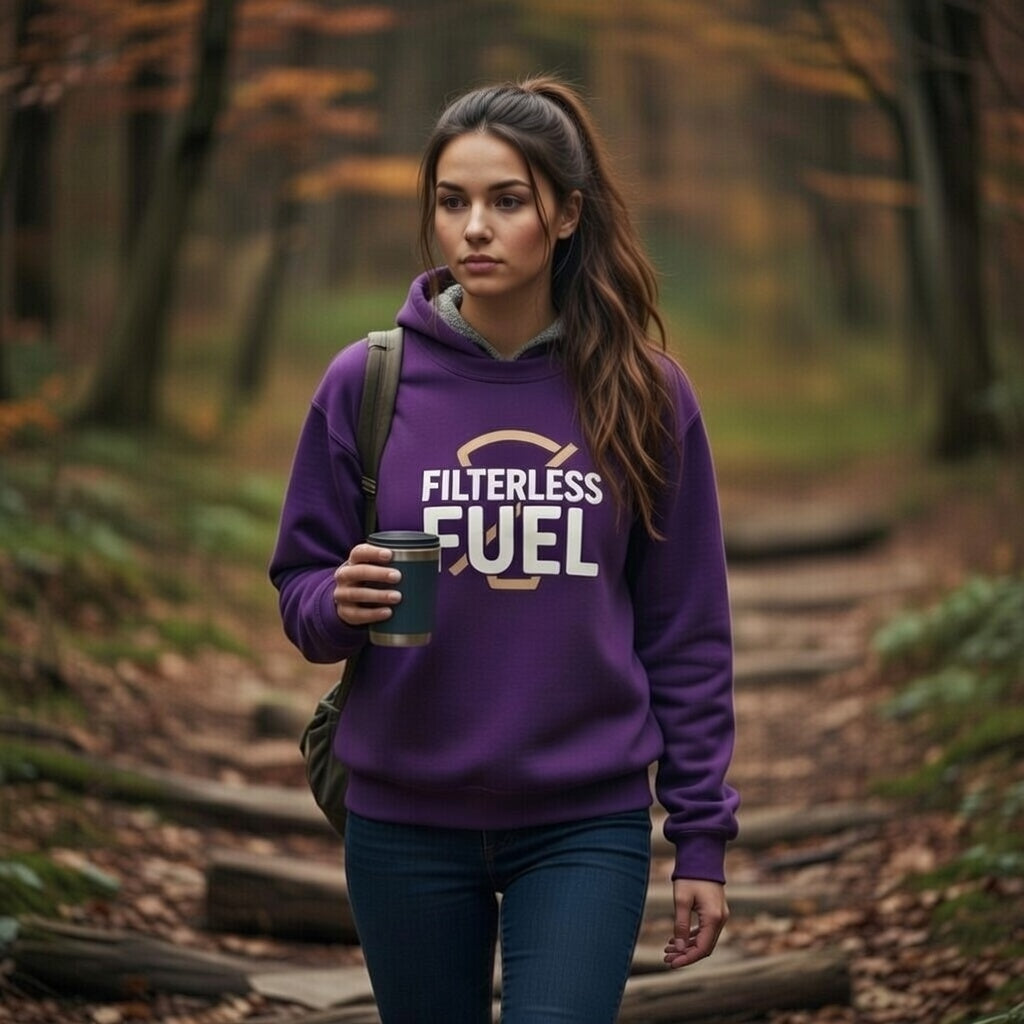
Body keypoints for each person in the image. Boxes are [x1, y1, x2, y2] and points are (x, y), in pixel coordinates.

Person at [270, 75, 739, 1024]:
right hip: (403, 818)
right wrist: (337, 601)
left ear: (565, 215)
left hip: (585, 821)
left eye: (506, 201)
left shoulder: (646, 394)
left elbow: (687, 634)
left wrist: (701, 840)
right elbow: (301, 590)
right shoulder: (368, 381)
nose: (474, 228)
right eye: (452, 202)